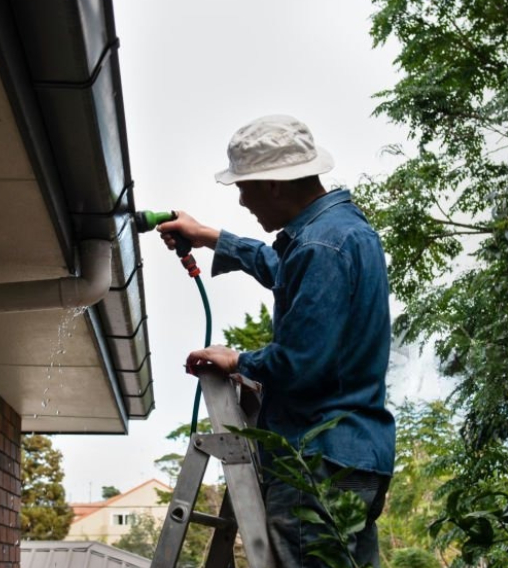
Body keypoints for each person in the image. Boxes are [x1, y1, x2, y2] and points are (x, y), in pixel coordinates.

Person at [157, 115, 395, 567]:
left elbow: (302, 363)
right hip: (356, 456)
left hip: (318, 461)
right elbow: (285, 268)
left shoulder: (319, 248)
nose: (243, 201)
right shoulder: (341, 231)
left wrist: (239, 360)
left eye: (244, 188)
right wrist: (210, 237)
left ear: (273, 185)